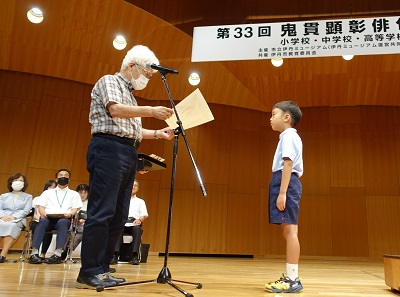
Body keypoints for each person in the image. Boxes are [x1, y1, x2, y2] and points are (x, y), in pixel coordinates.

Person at [76, 44, 174, 290]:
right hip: (108, 148)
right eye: (147, 74)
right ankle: (88, 272)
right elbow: (115, 111)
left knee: (119, 215)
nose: (147, 79)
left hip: (127, 151)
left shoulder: (130, 93)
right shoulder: (109, 81)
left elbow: (133, 129)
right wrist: (151, 110)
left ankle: (103, 268)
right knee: (102, 211)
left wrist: (157, 133)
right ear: (132, 66)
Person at [264, 101, 304, 293]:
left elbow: (287, 164)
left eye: (274, 114)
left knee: (290, 231)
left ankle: (292, 279)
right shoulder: (287, 137)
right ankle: (291, 275)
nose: (271, 118)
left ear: (286, 117)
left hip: (285, 182)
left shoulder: (288, 136)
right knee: (287, 230)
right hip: (284, 181)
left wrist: (282, 192)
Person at [28, 169, 82, 264]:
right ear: (56, 179)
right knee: (42, 221)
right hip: (48, 218)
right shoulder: (47, 193)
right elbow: (41, 206)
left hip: (64, 218)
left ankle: (57, 254)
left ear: (69, 180)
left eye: (66, 175)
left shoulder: (74, 194)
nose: (63, 177)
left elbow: (75, 209)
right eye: (61, 175)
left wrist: (70, 214)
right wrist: (42, 213)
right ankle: (34, 253)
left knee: (62, 222)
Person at [112, 180, 148, 265]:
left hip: (134, 223)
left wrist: (139, 220)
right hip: (122, 223)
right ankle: (115, 254)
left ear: (138, 189)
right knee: (118, 229)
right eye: (131, 185)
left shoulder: (140, 201)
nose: (133, 187)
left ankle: (134, 255)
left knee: (137, 229)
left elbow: (143, 215)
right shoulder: (121, 199)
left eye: (135, 186)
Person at [0, 173, 32, 263]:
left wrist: (14, 217)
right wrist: (3, 216)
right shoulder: (3, 196)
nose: (18, 182)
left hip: (18, 219)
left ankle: (3, 253)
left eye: (21, 181)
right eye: (16, 180)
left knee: (11, 226)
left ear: (24, 183)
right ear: (11, 182)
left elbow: (26, 211)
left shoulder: (28, 197)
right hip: (3, 218)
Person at [31, 180, 57, 259]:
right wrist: (39, 218)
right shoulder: (37, 199)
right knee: (38, 226)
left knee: (48, 230)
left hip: (48, 221)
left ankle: (43, 253)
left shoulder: (55, 201)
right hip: (37, 221)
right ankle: (35, 252)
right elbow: (33, 213)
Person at [61, 184, 89, 259]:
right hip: (72, 222)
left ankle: (69, 249)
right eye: (80, 193)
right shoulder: (73, 201)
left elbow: (90, 215)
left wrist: (82, 220)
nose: (82, 195)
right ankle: (63, 250)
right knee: (68, 230)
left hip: (84, 224)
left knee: (81, 231)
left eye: (85, 193)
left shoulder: (90, 203)